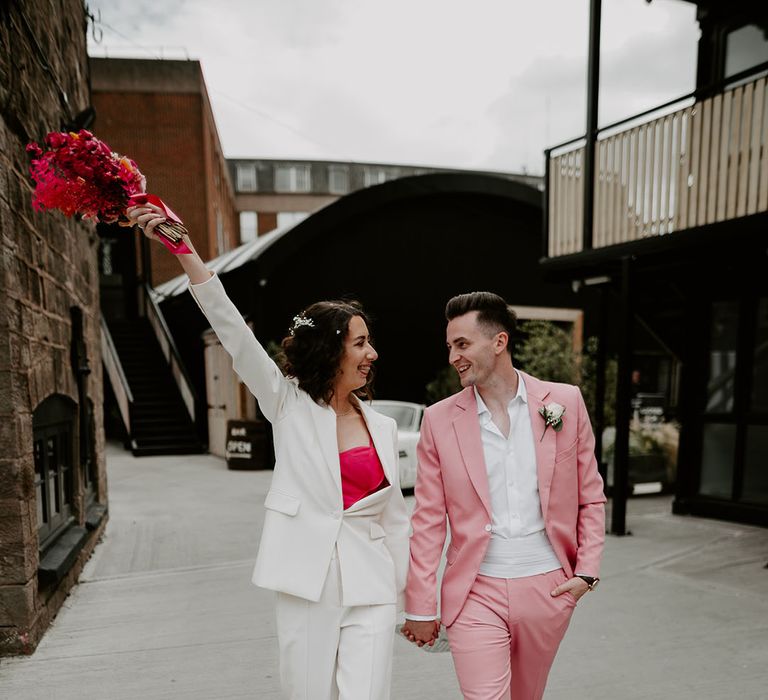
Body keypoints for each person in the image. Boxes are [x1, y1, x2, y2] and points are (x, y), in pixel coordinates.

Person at [127, 202, 410, 700]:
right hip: (307, 583)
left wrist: (416, 599)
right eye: (361, 343)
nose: (373, 353)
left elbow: (396, 521)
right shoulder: (287, 403)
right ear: (332, 349)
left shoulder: (382, 426)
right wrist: (185, 252)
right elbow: (235, 335)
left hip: (373, 586)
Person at [401, 292, 605, 700]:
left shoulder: (564, 402)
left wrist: (587, 571)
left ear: (499, 342)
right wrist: (420, 606)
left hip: (548, 587)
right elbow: (427, 519)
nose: (453, 357)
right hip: (475, 589)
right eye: (449, 347)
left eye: (462, 345)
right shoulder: (440, 419)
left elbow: (590, 495)